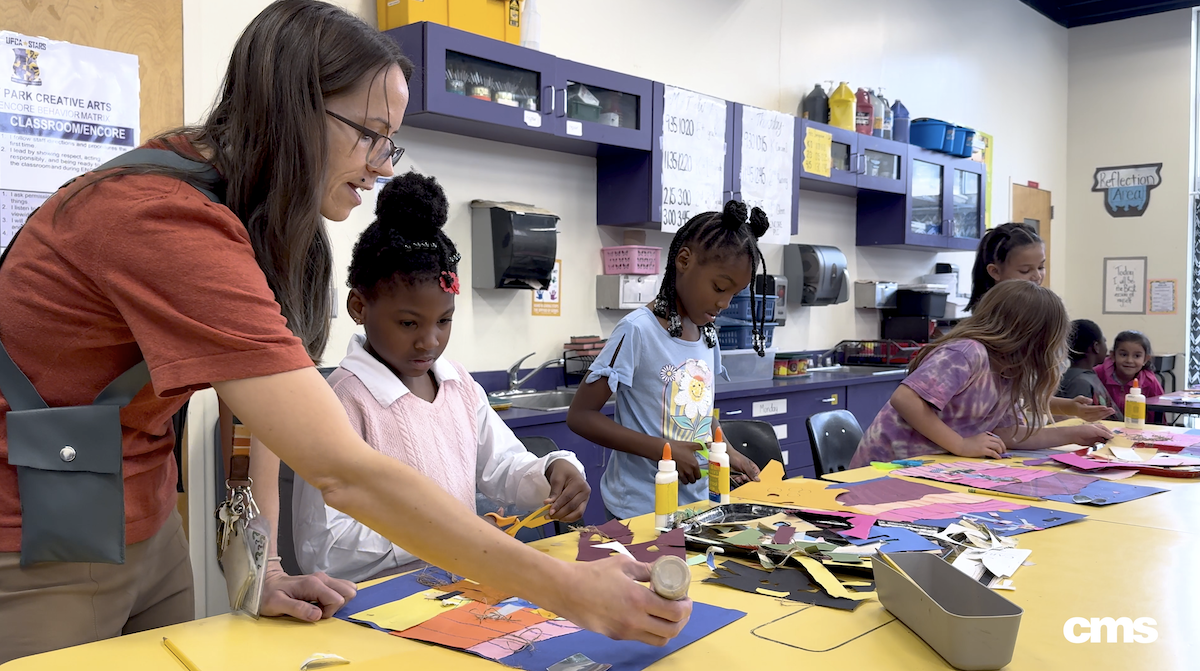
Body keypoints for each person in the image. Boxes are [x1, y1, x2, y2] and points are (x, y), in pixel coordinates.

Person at [0, 1, 688, 663]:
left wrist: (261, 567)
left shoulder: (254, 215)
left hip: (147, 518)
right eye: (369, 135)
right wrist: (568, 590)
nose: (384, 164)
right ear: (293, 108)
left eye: (392, 140)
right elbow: (342, 471)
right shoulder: (165, 219)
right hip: (39, 535)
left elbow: (255, 425)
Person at [293, 173, 590, 582]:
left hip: (457, 588)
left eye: (444, 321)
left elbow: (502, 465)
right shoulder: (340, 403)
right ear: (359, 306)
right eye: (408, 323)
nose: (428, 342)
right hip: (377, 606)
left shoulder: (458, 386)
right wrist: (447, 536)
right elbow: (324, 548)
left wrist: (553, 472)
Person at [568, 201, 766, 521]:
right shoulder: (637, 330)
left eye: (735, 294)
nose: (724, 303)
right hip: (638, 508)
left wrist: (726, 451)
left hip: (696, 506)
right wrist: (664, 449)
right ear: (684, 260)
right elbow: (581, 416)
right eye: (719, 287)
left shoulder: (707, 334)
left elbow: (703, 416)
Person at [849, 281, 1113, 468]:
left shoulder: (1009, 371)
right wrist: (961, 444)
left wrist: (1074, 434)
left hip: (933, 469)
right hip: (883, 471)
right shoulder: (967, 353)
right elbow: (905, 399)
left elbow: (1005, 434)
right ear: (1030, 338)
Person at [966, 222, 1113, 422]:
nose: (1037, 276)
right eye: (1025, 271)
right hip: (997, 437)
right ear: (995, 272)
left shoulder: (1037, 316)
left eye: (1041, 267)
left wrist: (1069, 407)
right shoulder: (984, 337)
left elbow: (1022, 395)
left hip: (1022, 434)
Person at [1058, 320, 1120, 420]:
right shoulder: (1080, 383)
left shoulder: (1086, 376)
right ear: (1096, 347)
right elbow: (1075, 423)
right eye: (1104, 341)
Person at [1095, 331, 1164, 415]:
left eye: (1137, 356)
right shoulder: (1097, 374)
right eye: (1123, 355)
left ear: (1145, 359)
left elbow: (1159, 417)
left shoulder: (1150, 382)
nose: (1129, 361)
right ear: (1113, 356)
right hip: (1102, 426)